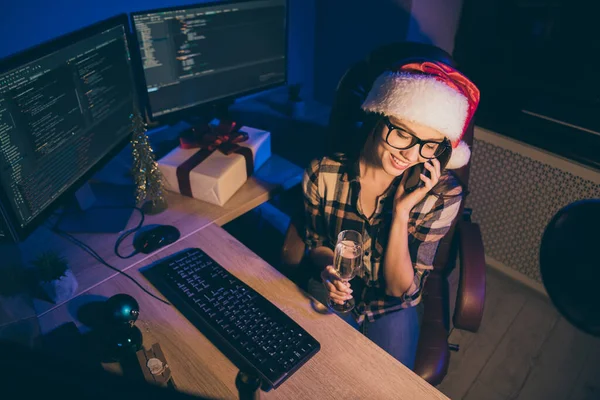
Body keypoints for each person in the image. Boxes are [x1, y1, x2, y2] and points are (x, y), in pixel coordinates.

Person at [302, 60, 480, 369]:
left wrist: (401, 213)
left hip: (392, 305)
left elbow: (399, 290)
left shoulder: (442, 194)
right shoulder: (322, 173)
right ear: (378, 118)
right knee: (324, 373)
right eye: (402, 134)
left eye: (429, 145)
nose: (410, 155)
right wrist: (330, 267)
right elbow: (316, 243)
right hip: (337, 291)